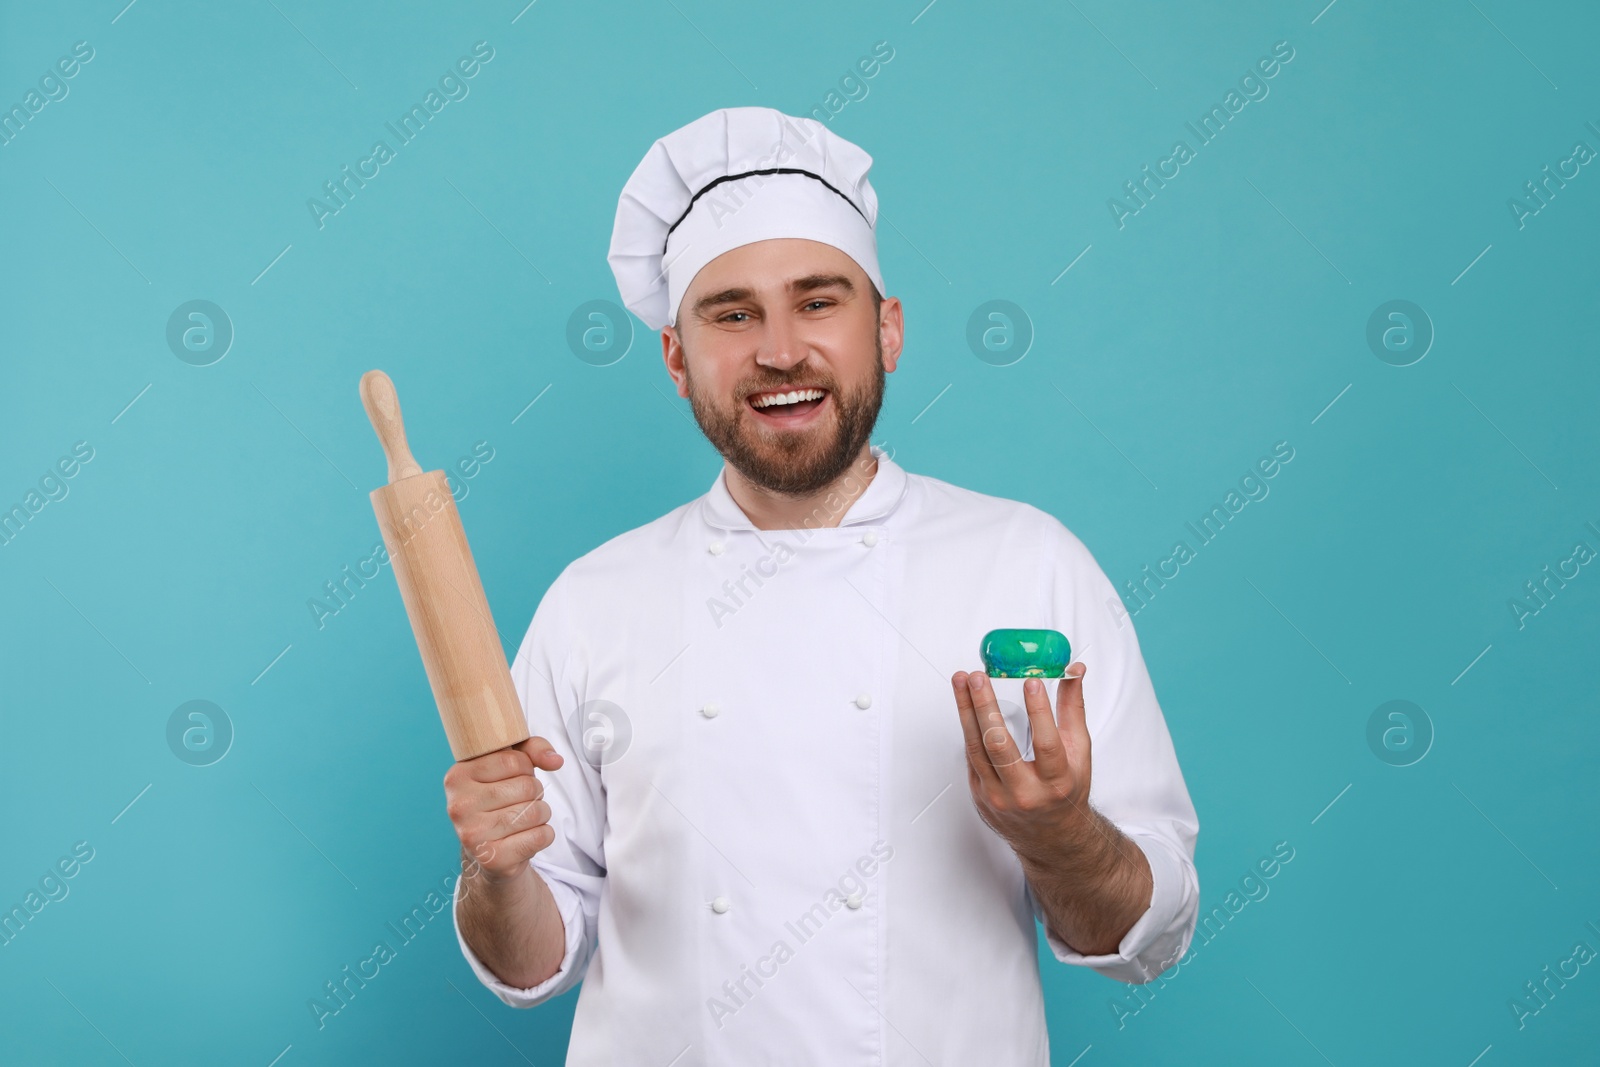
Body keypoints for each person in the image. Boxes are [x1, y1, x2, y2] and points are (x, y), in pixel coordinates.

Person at [446, 106, 1199, 1064]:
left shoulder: (1029, 563)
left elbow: (1149, 939)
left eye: (817, 301)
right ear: (677, 357)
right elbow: (530, 963)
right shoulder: (594, 602)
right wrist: (494, 869)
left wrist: (1057, 835)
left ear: (886, 328)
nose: (779, 350)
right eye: (731, 314)